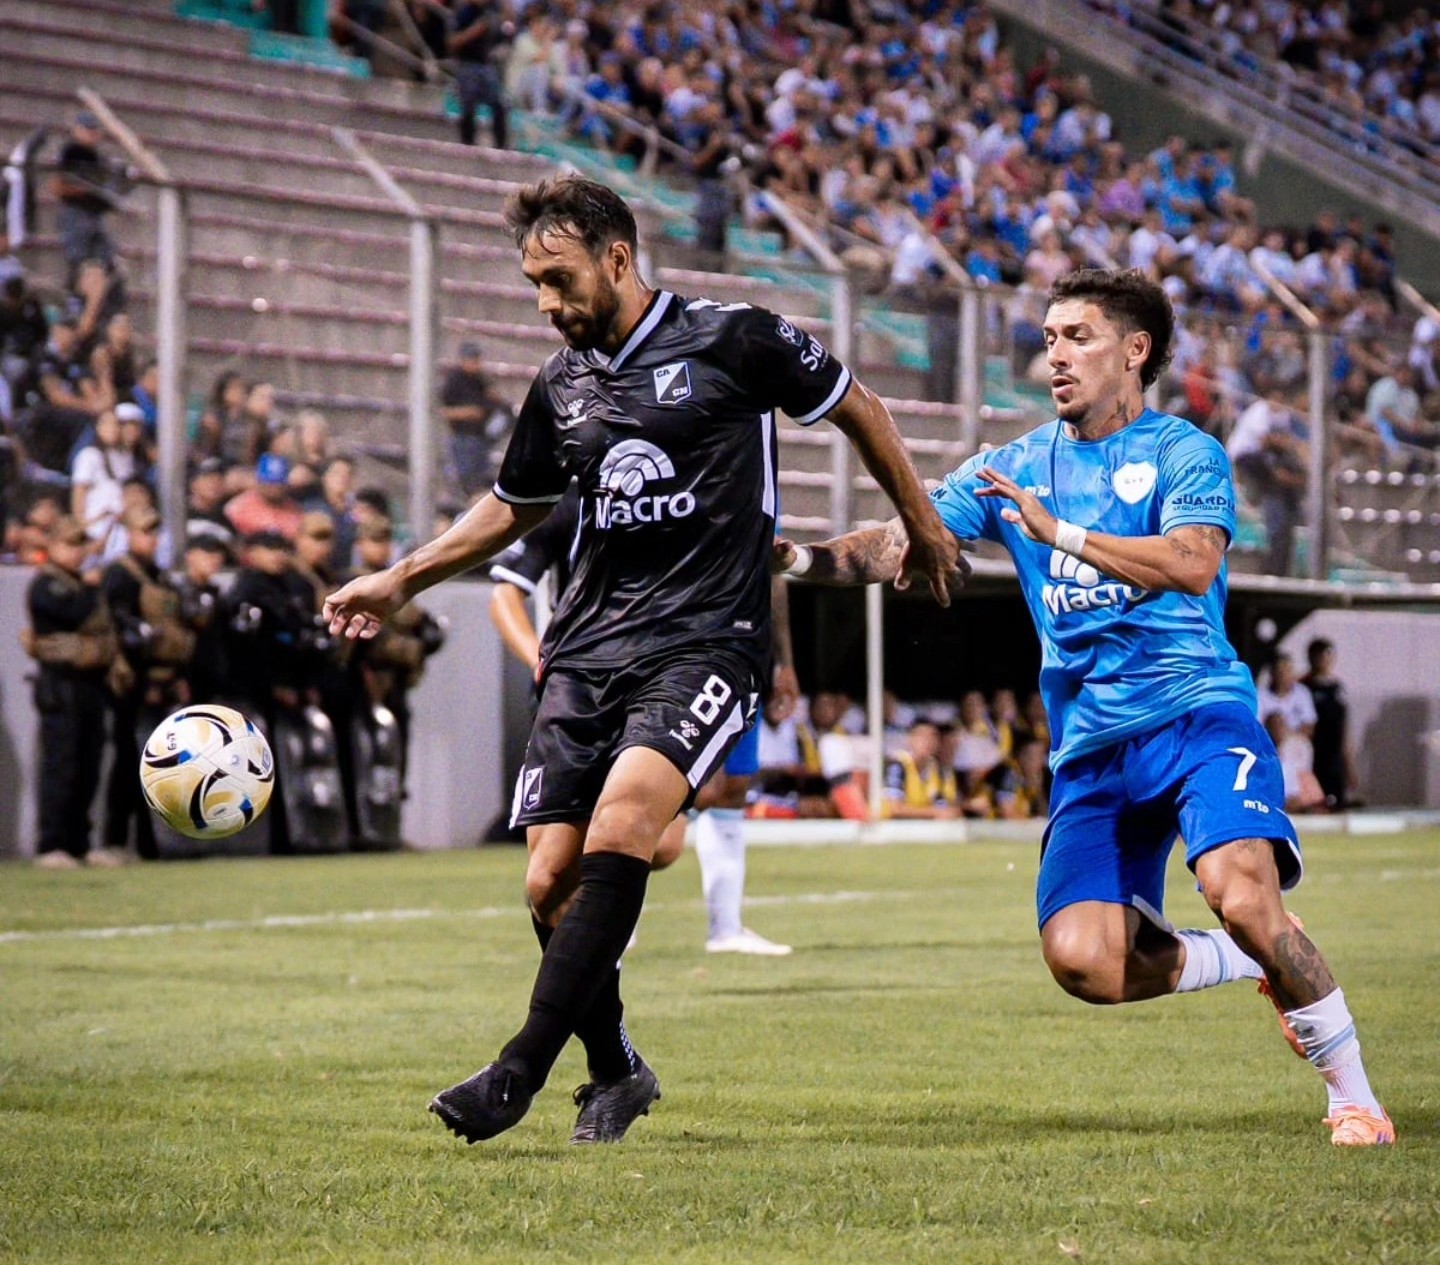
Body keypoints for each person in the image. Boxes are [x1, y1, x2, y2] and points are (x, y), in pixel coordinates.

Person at [322, 175, 957, 1146]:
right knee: (546, 884)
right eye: (532, 281)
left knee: (626, 821)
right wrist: (399, 578)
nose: (545, 300)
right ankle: (617, 1068)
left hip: (705, 640)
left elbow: (858, 406)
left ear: (617, 258)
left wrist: (921, 525)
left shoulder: (732, 338)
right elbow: (513, 505)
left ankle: (517, 1070)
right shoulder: (560, 382)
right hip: (587, 645)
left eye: (558, 277)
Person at [781, 267, 1393, 1146]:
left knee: (1240, 892)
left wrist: (1057, 532)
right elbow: (898, 541)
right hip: (1091, 747)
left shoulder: (1186, 452)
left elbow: (1188, 563)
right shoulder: (1017, 466)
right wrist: (792, 559)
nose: (1054, 356)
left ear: (1135, 350)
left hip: (1197, 715)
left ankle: (1355, 1097)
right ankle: (1234, 959)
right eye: (1048, 338)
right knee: (1083, 964)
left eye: (1077, 337)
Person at [23, 516, 120, 869]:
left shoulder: (80, 584)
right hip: (61, 685)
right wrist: (93, 589)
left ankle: (79, 842)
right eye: (68, 545)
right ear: (51, 547)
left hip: (91, 685)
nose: (76, 552)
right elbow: (73, 613)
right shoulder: (47, 585)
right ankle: (52, 843)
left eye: (80, 545)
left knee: (88, 767)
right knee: (60, 766)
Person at [102, 504, 194, 858]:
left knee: (162, 770)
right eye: (144, 532)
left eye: (154, 533)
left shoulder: (159, 575)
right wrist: (142, 678)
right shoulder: (121, 575)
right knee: (128, 762)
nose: (151, 539)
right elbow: (119, 632)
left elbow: (177, 630)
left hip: (166, 679)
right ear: (128, 534)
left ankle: (151, 842)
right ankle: (114, 840)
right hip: (134, 683)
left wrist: (177, 676)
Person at [441, 341, 514, 500]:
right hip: (463, 437)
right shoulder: (454, 380)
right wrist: (467, 413)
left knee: (482, 480)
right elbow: (442, 411)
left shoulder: (479, 379)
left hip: (481, 436)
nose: (475, 363)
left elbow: (493, 400)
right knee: (465, 480)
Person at [1302, 638, 1357, 811]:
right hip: (1314, 754)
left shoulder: (1338, 688)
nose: (1324, 660)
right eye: (1320, 656)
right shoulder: (1304, 687)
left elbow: (1344, 726)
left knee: (1336, 802)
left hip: (1334, 756)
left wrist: (1349, 762)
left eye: (1328, 656)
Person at [450, 2, 510, 150]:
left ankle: (501, 145)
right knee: (468, 106)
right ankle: (468, 144)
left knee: (498, 104)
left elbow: (504, 34)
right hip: (467, 65)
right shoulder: (464, 13)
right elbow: (452, 42)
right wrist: (475, 30)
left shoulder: (492, 12)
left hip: (486, 65)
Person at [883, 718, 961, 819]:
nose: (927, 742)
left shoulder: (939, 770)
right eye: (922, 736)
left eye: (932, 737)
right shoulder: (897, 765)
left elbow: (943, 807)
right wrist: (933, 812)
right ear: (910, 739)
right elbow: (895, 809)